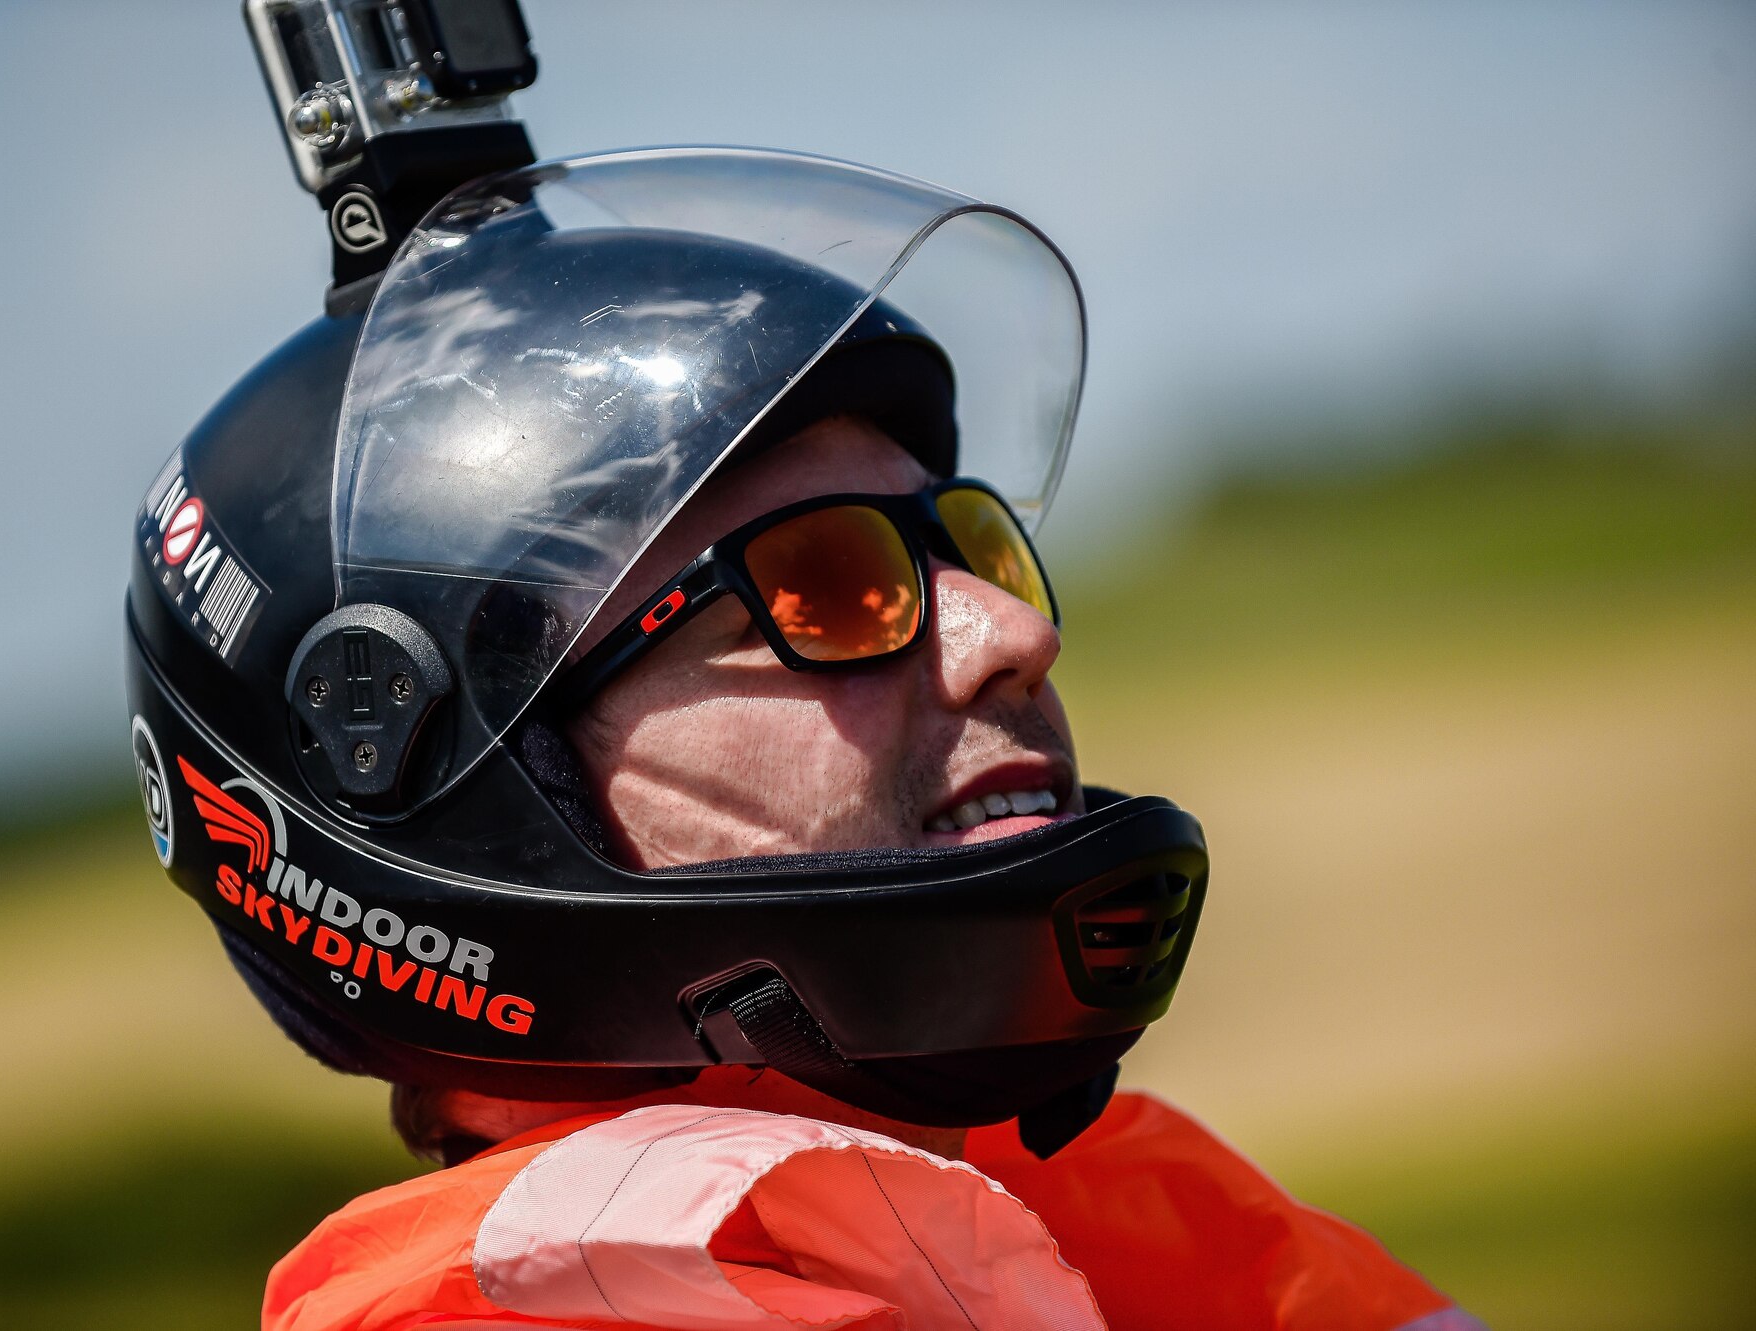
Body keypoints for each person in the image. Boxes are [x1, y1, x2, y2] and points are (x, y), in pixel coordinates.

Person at [125, 148, 1482, 1329]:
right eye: (827, 587)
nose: (1013, 636)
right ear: (469, 783)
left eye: (973, 549)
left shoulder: (1105, 1219)